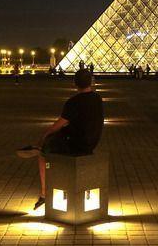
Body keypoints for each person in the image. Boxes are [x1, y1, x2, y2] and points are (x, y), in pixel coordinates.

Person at [16, 69, 104, 210]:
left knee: (44, 153)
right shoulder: (97, 99)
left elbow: (58, 124)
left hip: (75, 144)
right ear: (91, 82)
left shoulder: (73, 102)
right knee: (55, 140)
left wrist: (44, 136)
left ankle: (44, 193)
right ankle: (40, 149)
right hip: (92, 142)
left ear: (75, 83)